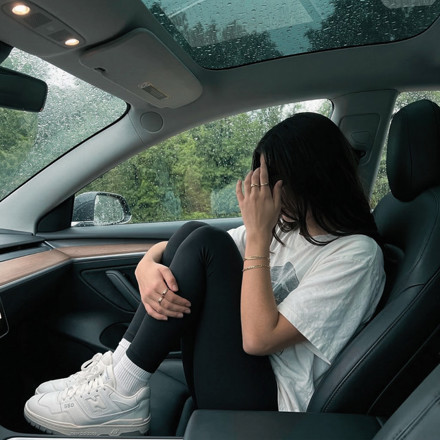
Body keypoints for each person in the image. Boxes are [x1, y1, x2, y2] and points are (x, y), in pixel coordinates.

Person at [24, 113, 385, 436]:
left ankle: (121, 391)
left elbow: (259, 340)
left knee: (207, 242)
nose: (261, 191)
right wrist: (146, 265)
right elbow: (185, 246)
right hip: (238, 375)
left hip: (272, 403)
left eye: (271, 179)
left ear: (311, 178)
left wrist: (259, 236)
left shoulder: (356, 254)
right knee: (194, 231)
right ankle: (119, 374)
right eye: (259, 177)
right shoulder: (288, 229)